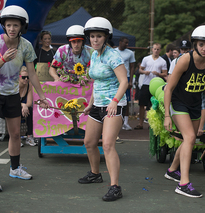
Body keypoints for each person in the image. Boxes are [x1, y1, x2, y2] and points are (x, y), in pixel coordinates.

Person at [0, 5, 49, 192]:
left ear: (22, 27)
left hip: (12, 94)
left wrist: (41, 97)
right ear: (4, 25)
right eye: (9, 25)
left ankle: (15, 168)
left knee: (16, 134)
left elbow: (33, 75)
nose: (12, 28)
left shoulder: (26, 46)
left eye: (16, 25)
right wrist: (2, 59)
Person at [164, 25, 205, 198]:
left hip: (195, 104)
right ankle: (183, 184)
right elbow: (169, 88)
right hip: (178, 103)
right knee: (189, 137)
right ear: (195, 44)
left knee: (189, 140)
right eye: (201, 44)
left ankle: (172, 170)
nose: (204, 48)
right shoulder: (185, 60)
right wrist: (167, 115)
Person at [78, 17, 128, 202]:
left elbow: (124, 81)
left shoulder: (113, 55)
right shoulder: (94, 54)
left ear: (106, 37)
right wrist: (91, 103)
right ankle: (95, 174)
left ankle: (115, 187)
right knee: (89, 142)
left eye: (99, 36)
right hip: (97, 105)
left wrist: (114, 101)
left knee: (107, 144)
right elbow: (96, 82)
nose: (95, 39)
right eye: (92, 36)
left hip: (114, 106)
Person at [134, 43, 167, 130]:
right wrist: (145, 72)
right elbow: (140, 70)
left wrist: (158, 74)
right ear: (152, 49)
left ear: (160, 50)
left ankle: (152, 123)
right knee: (142, 104)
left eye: (158, 49)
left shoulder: (162, 61)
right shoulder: (146, 59)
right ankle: (140, 123)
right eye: (155, 49)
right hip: (146, 84)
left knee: (154, 104)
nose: (156, 51)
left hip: (156, 86)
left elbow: (165, 73)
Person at [115, 36, 136, 131]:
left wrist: (130, 80)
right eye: (125, 42)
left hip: (126, 77)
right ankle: (114, 120)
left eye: (128, 43)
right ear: (120, 42)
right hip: (115, 78)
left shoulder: (130, 53)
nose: (127, 44)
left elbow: (132, 67)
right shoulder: (114, 52)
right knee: (115, 98)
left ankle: (126, 122)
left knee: (126, 101)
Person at [19, 66, 36, 147]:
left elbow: (29, 102)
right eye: (23, 77)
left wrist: (25, 106)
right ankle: (15, 138)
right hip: (9, 107)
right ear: (18, 77)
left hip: (21, 108)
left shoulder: (29, 85)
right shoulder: (14, 86)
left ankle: (29, 136)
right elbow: (12, 101)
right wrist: (23, 105)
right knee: (16, 110)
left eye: (27, 77)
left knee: (31, 110)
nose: (26, 79)